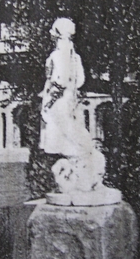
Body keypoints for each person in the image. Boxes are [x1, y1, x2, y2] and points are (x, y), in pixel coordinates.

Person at [39, 18, 105, 192]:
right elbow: (80, 80)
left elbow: (59, 81)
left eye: (53, 31)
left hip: (59, 101)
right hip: (71, 100)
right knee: (72, 133)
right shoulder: (75, 57)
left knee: (67, 136)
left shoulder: (57, 55)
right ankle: (81, 172)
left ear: (57, 34)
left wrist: (48, 103)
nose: (50, 34)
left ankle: (80, 174)